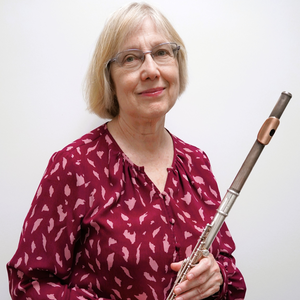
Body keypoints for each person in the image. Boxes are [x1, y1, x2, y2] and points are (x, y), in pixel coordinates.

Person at [7, 2, 246, 300]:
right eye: (131, 58)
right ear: (109, 78)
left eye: (161, 53)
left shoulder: (196, 162)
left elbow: (229, 271)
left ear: (177, 64)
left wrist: (217, 278)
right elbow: (29, 284)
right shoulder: (73, 165)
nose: (151, 70)